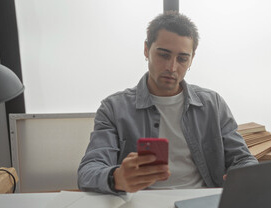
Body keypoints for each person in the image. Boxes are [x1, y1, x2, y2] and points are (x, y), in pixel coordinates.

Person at [78, 12, 258, 194]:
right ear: (146, 49)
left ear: (192, 59)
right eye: (164, 55)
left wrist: (247, 173)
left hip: (200, 201)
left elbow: (242, 158)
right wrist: (116, 178)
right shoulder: (114, 109)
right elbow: (88, 171)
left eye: (182, 59)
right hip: (140, 205)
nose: (172, 67)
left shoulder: (213, 104)